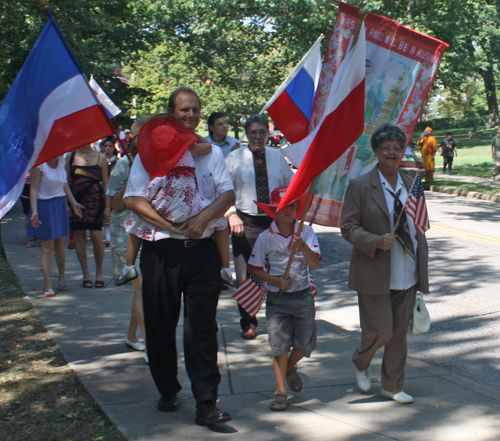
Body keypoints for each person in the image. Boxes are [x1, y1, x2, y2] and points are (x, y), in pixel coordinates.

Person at [124, 87, 235, 426]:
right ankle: (167, 389)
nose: (191, 115)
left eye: (195, 110)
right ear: (171, 113)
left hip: (201, 253)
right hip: (161, 253)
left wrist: (201, 219)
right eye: (184, 110)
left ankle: (206, 402)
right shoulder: (150, 153)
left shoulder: (211, 153)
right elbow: (133, 199)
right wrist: (169, 225)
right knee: (160, 326)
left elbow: (227, 193)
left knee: (201, 329)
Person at [340, 124, 429, 404]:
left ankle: (392, 386)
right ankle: (361, 362)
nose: (391, 152)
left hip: (407, 269)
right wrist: (375, 240)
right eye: (385, 147)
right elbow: (348, 226)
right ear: (376, 151)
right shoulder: (361, 185)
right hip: (374, 269)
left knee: (399, 335)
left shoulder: (411, 181)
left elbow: (418, 221)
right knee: (382, 329)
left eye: (396, 147)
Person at [120, 115, 235, 288]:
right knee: (221, 222)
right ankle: (225, 268)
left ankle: (128, 266)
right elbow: (207, 146)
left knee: (137, 221)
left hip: (162, 201)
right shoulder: (187, 149)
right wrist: (189, 135)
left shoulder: (151, 154)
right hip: (189, 201)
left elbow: (135, 200)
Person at [247, 186, 320, 411]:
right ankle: (280, 391)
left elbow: (315, 263)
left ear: (298, 208)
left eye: (292, 206)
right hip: (277, 299)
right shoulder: (265, 237)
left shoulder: (305, 232)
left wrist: (303, 247)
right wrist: (276, 281)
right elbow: (254, 268)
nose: (288, 211)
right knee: (278, 345)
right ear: (274, 211)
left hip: (303, 295)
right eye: (283, 207)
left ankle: (290, 366)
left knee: (305, 343)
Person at [226, 114, 294, 340]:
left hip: (272, 221)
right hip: (244, 222)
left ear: (268, 133)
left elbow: (289, 186)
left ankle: (278, 318)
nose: (258, 136)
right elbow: (223, 190)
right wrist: (231, 214)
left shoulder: (277, 156)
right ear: (247, 134)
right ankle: (248, 321)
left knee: (276, 270)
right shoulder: (235, 158)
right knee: (245, 275)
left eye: (262, 132)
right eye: (253, 132)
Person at [106, 118, 149, 360]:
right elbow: (114, 204)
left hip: (148, 232)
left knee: (141, 290)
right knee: (141, 288)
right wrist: (133, 175)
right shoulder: (124, 165)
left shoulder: (153, 162)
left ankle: (132, 336)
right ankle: (150, 344)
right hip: (126, 233)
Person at [27, 156, 83, 296]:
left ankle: (62, 278)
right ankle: (48, 284)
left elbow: (64, 184)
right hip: (44, 205)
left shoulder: (62, 161)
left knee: (60, 244)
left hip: (59, 204)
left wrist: (73, 203)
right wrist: (34, 211)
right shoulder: (39, 165)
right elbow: (33, 189)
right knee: (48, 247)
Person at [67, 144, 110, 288]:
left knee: (97, 237)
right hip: (76, 201)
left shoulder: (101, 157)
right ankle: (85, 273)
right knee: (79, 235)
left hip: (96, 200)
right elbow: (66, 182)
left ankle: (99, 273)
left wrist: (108, 207)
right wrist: (68, 203)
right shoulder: (71, 156)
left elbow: (106, 183)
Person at [101, 137, 119, 247]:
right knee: (105, 212)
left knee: (113, 211)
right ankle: (108, 237)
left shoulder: (118, 161)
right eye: (106, 146)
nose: (108, 148)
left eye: (110, 146)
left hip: (114, 190)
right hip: (101, 189)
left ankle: (113, 235)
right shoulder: (99, 159)